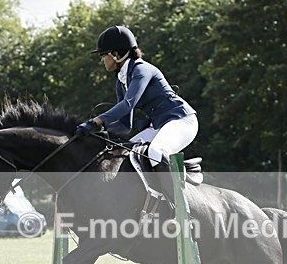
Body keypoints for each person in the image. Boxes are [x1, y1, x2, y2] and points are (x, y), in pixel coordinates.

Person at [75, 26, 198, 175]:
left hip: (182, 120)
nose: (102, 60)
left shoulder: (141, 69)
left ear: (115, 54)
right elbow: (125, 125)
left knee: (155, 151)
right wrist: (100, 130)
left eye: (103, 55)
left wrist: (96, 121)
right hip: (159, 125)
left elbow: (127, 104)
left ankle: (177, 199)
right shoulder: (121, 81)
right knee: (126, 154)